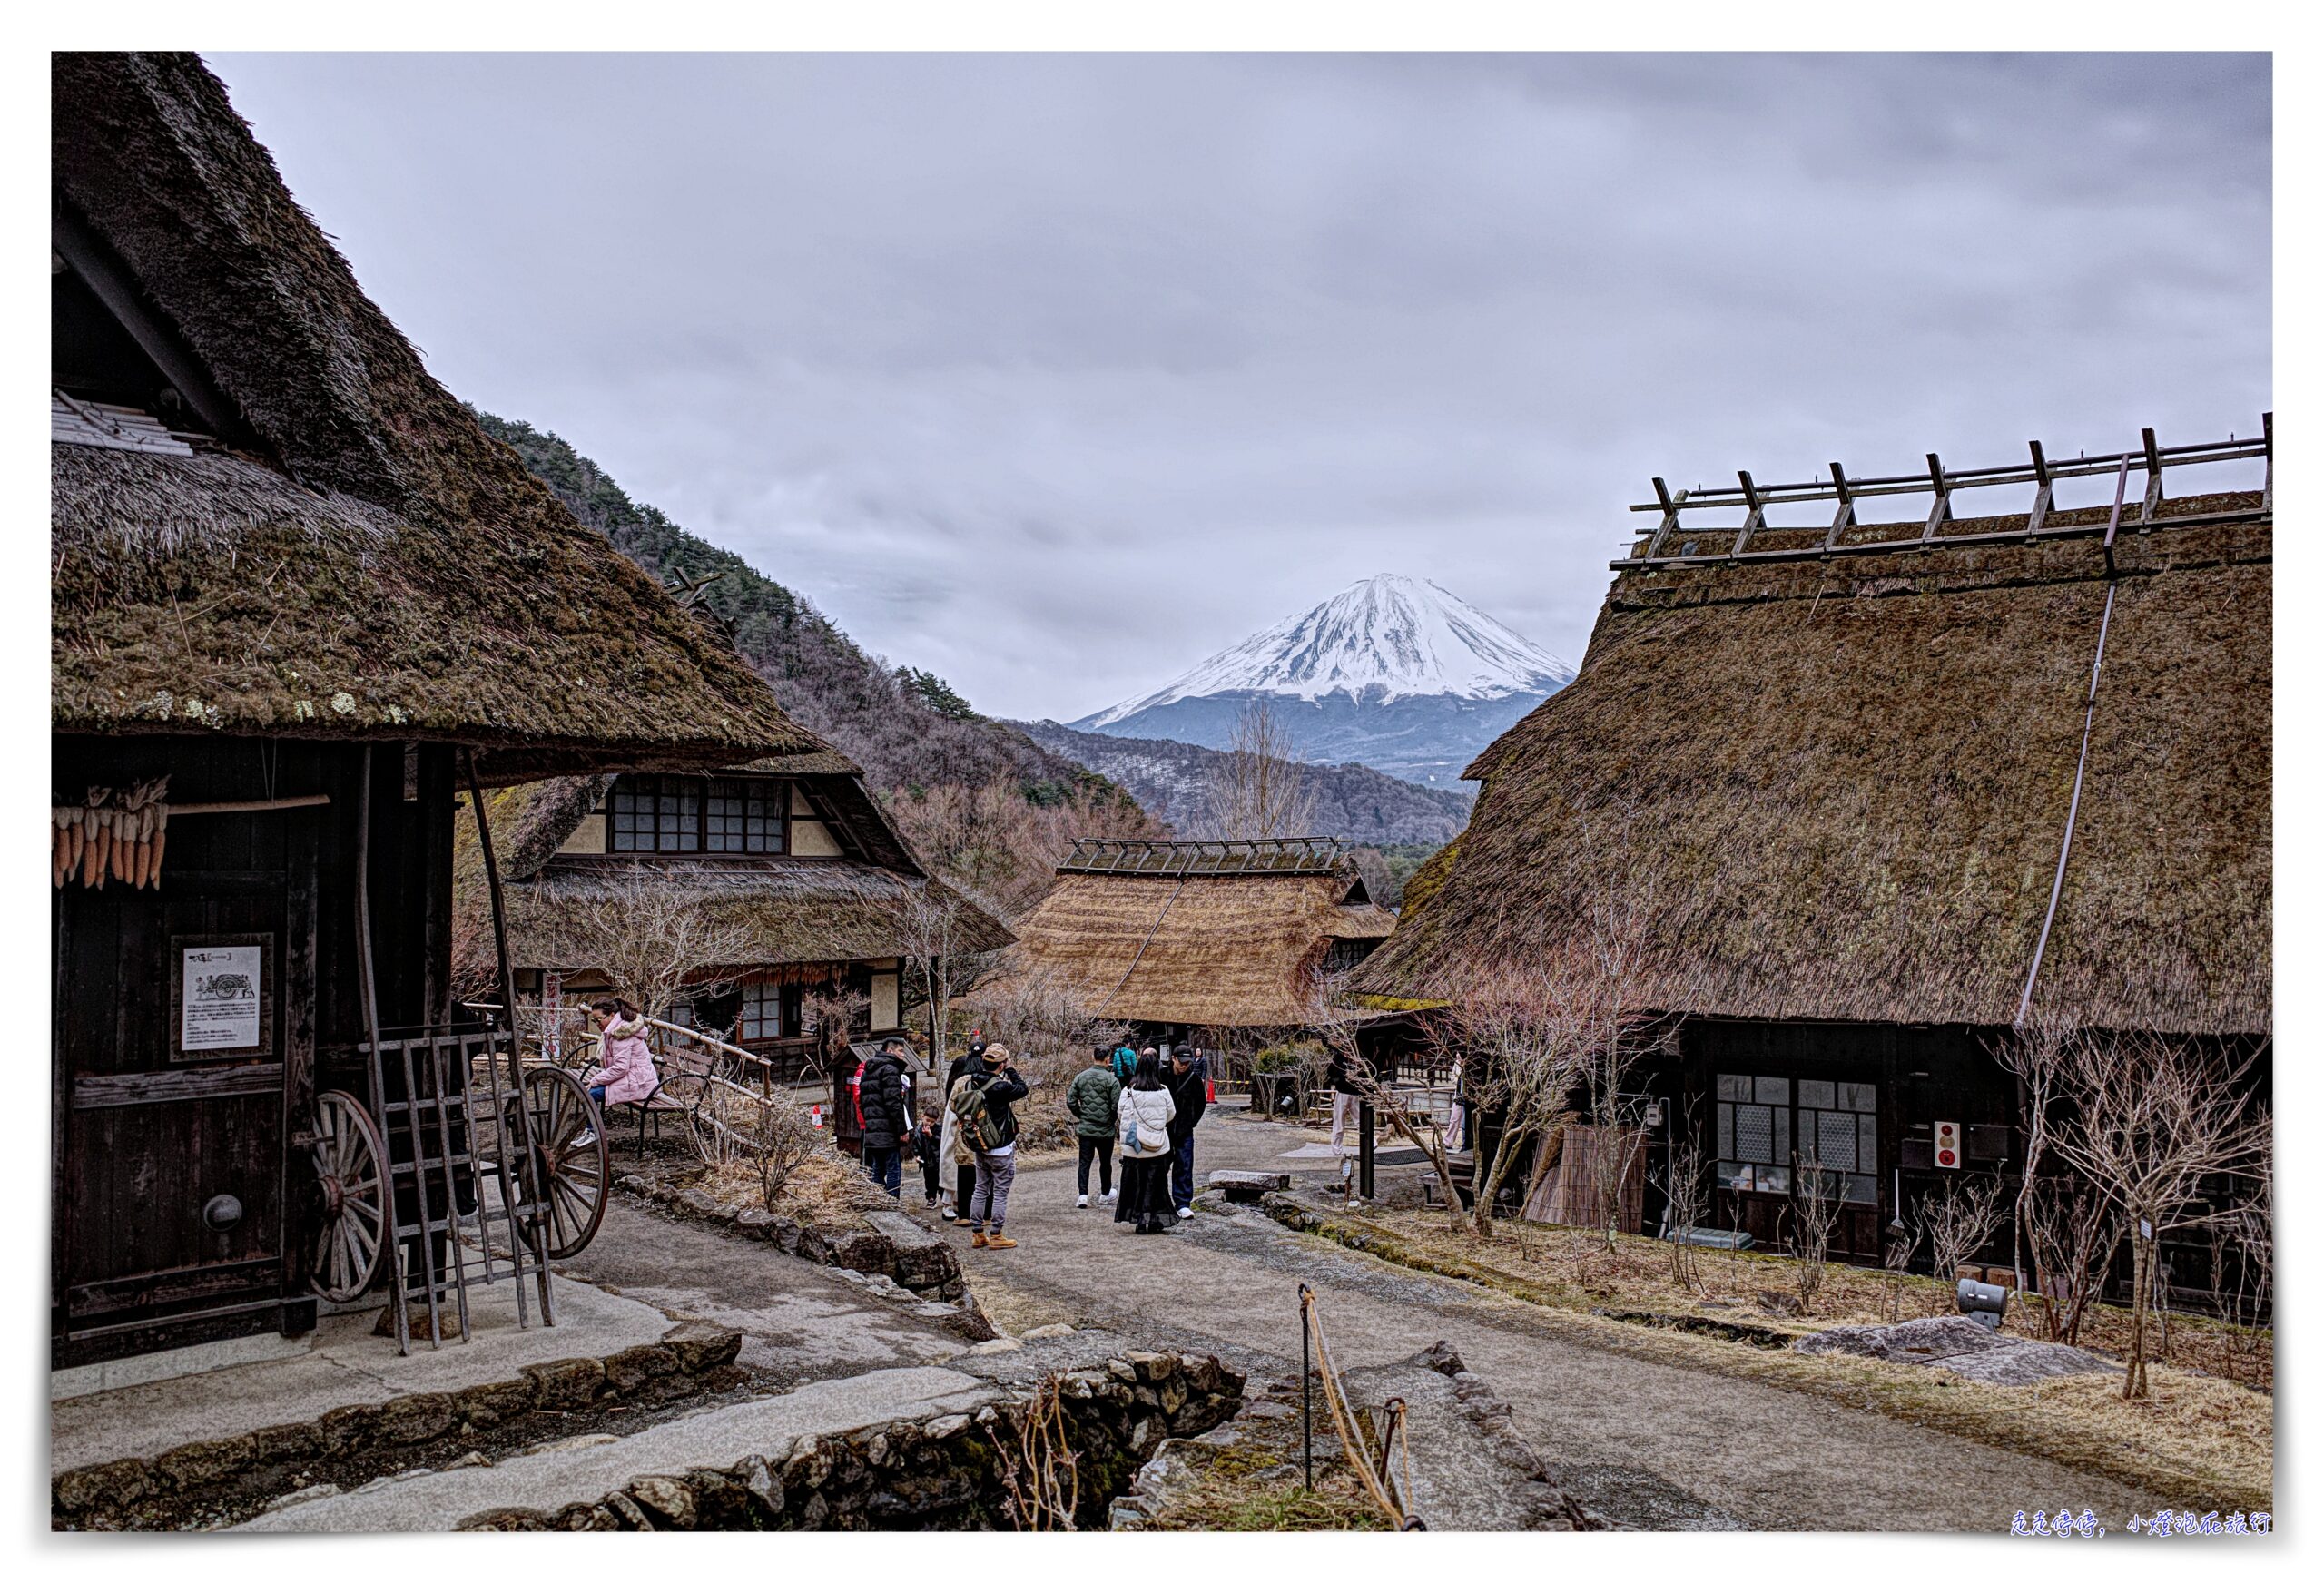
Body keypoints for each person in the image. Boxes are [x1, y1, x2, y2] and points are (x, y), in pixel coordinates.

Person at [950, 1041, 1028, 1249]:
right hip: (1000, 1146)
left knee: (980, 1188)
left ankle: (977, 1233)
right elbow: (1023, 1089)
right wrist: (1011, 1068)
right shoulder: (1000, 1086)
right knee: (1000, 1191)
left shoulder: (970, 1082)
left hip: (979, 1145)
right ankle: (996, 1234)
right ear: (1001, 1065)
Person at [575, 998, 655, 1148]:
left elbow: (620, 1068)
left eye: (599, 1019)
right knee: (589, 1091)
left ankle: (593, 1133)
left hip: (639, 1083)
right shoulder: (616, 1030)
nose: (597, 1024)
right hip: (635, 1078)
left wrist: (596, 1079)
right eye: (594, 1020)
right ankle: (590, 1130)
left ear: (612, 1015)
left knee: (590, 1093)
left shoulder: (621, 1034)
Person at [1114, 1053, 1177, 1234]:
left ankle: (1139, 1220)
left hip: (1134, 1147)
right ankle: (1154, 1218)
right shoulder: (1163, 1090)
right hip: (1156, 1146)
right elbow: (1171, 1114)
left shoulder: (1128, 1091)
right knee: (1155, 1185)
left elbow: (1120, 1113)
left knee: (1136, 1184)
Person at [936, 1037, 986, 1221]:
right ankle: (952, 1204)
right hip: (966, 1128)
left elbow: (952, 1108)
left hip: (957, 1127)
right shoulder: (976, 1079)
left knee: (956, 1165)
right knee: (963, 1167)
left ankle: (953, 1204)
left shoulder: (961, 1079)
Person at [1067, 1046, 1123, 1207]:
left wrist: (1082, 1114)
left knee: (1084, 1162)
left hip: (1086, 1128)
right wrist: (1109, 1119)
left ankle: (1083, 1195)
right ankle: (1105, 1193)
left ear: (1093, 1057)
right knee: (1105, 1162)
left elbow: (1071, 1100)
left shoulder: (1081, 1077)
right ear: (1108, 1059)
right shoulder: (1112, 1080)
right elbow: (1116, 1105)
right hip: (1105, 1130)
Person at [856, 1036, 911, 1198]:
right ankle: (893, 1204)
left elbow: (863, 1101)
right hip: (887, 1130)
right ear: (889, 1051)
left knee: (877, 1169)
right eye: (900, 1051)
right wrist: (902, 1129)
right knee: (893, 1169)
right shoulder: (890, 1070)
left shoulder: (867, 1070)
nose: (903, 1055)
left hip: (872, 1129)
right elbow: (894, 1103)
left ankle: (878, 1201)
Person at [1163, 1045, 1209, 1219]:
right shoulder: (1162, 1076)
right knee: (1161, 1166)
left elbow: (1200, 1104)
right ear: (1173, 1058)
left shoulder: (1194, 1079)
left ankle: (1182, 1202)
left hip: (1184, 1129)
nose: (1184, 1066)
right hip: (1164, 1129)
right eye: (1182, 1062)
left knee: (1184, 1165)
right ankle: (1161, 1201)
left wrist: (1191, 1122)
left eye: (1188, 1063)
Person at [1326, 1047, 1368, 1155]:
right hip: (1354, 1092)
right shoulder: (1357, 1057)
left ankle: (1337, 1148)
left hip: (1346, 1091)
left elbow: (1330, 1071)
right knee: (1359, 1120)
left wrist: (1338, 1081)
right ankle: (1371, 1143)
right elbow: (1330, 1071)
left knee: (1340, 1121)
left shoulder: (1341, 1057)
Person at [911, 1107, 944, 1205]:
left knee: (940, 1181)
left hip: (937, 1160)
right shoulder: (918, 1130)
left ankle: (944, 1198)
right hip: (926, 1160)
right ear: (922, 1117)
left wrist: (931, 1136)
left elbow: (940, 1142)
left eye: (932, 1122)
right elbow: (916, 1144)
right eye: (927, 1120)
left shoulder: (938, 1129)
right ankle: (931, 1198)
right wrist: (917, 1155)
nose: (929, 1123)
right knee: (929, 1181)